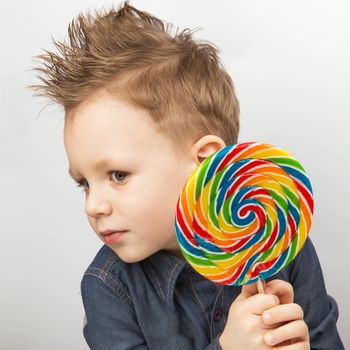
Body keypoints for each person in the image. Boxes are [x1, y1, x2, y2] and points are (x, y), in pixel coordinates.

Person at [31, 1, 344, 349]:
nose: (93, 206)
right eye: (84, 183)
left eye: (118, 175)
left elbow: (324, 339)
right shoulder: (107, 287)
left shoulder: (279, 242)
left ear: (204, 162)